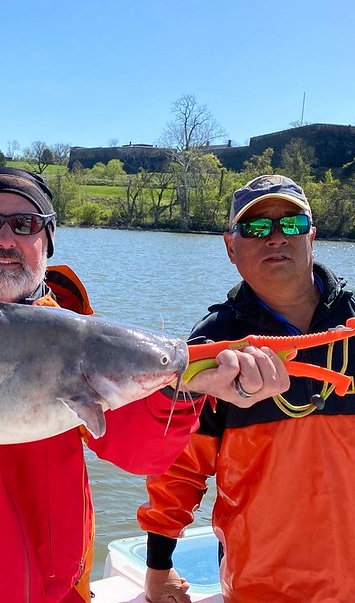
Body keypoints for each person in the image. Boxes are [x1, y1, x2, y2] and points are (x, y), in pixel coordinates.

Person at [0, 167, 288, 603]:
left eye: (25, 225)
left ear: (48, 242)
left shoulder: (89, 346)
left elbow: (142, 454)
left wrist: (183, 390)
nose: (5, 238)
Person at [138, 174, 355, 602]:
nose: (275, 237)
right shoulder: (212, 345)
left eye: (290, 224)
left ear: (312, 236)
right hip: (260, 586)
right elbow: (178, 468)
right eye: (256, 227)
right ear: (230, 247)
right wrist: (158, 569)